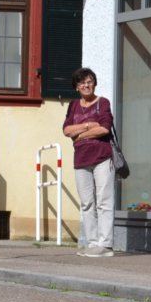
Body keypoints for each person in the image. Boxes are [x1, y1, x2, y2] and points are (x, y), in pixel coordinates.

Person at [62, 67, 115, 258]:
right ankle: (92, 244)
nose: (86, 85)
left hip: (102, 158)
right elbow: (66, 130)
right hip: (81, 160)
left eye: (90, 81)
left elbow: (104, 129)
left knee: (104, 201)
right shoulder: (73, 105)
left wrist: (80, 135)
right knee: (86, 204)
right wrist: (88, 125)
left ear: (94, 83)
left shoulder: (103, 103)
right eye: (82, 82)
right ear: (77, 86)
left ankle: (105, 245)